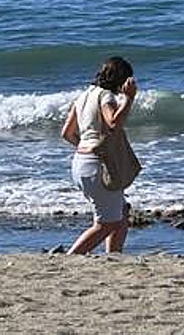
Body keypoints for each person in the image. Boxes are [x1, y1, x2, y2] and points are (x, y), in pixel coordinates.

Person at [60, 56, 138, 254]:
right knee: (106, 223)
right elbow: (113, 123)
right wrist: (129, 98)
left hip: (80, 163)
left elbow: (67, 133)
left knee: (121, 213)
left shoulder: (83, 96)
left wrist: (86, 148)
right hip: (98, 167)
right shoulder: (106, 96)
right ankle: (70, 258)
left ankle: (114, 257)